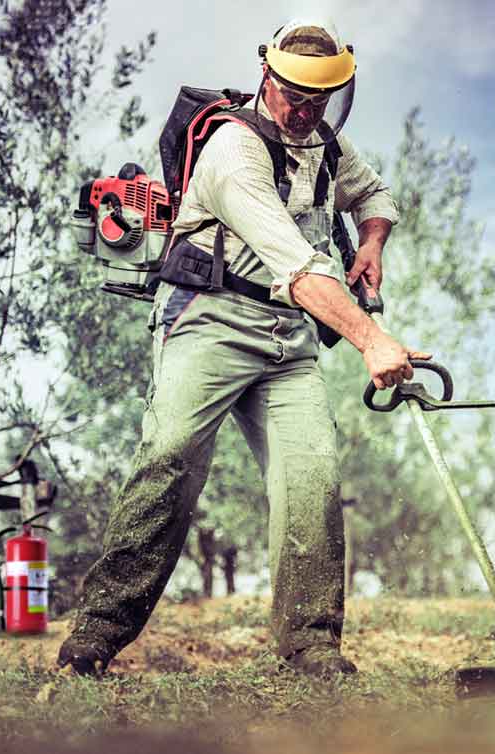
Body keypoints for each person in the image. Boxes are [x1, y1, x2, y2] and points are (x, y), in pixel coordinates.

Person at [57, 19, 424, 679]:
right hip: (210, 317)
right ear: (267, 76)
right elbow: (302, 266)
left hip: (288, 335)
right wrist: (371, 339)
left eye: (322, 99)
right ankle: (93, 639)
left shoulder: (326, 146)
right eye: (295, 95)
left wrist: (371, 243)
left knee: (312, 479)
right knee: (169, 458)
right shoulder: (234, 149)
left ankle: (309, 645)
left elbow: (376, 195)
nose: (306, 110)